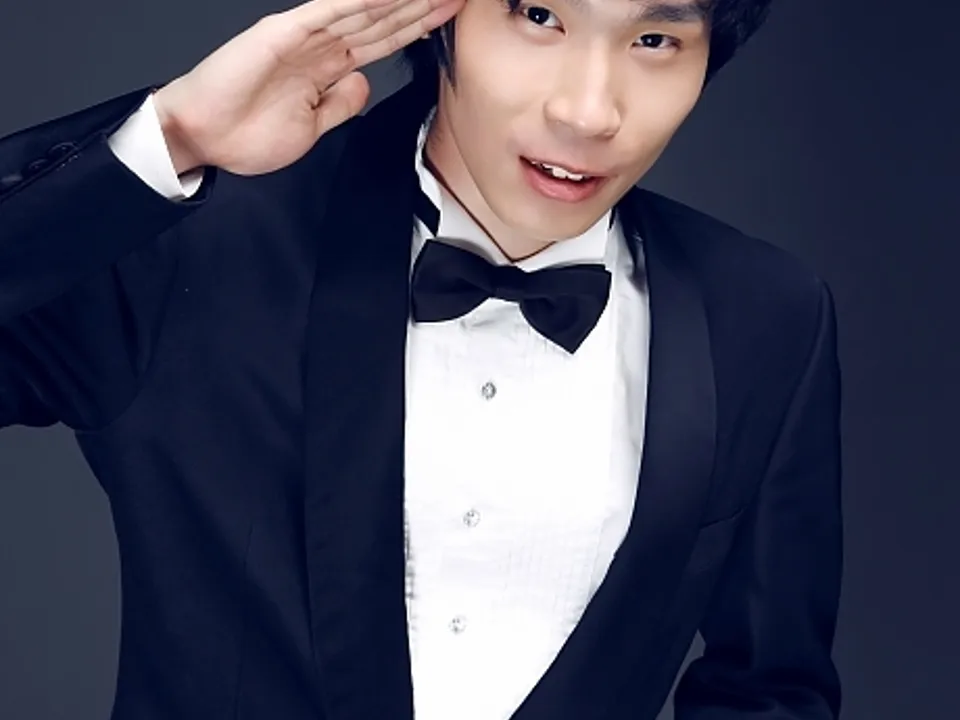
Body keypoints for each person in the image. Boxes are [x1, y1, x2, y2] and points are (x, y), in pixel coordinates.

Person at [0, 0, 844, 717]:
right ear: (440, 17)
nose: (589, 112)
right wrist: (173, 136)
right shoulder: (197, 238)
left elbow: (770, 688)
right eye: (539, 15)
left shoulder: (763, 315)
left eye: (655, 40)